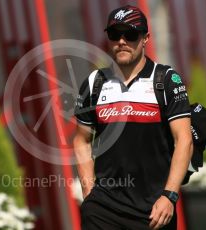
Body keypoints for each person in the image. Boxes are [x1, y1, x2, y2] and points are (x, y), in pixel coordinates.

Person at [73, 5, 193, 230]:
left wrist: (169, 196)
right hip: (103, 210)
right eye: (114, 34)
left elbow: (184, 140)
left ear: (146, 38)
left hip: (155, 212)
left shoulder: (166, 80)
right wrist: (89, 195)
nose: (121, 41)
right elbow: (81, 140)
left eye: (130, 34)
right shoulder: (94, 84)